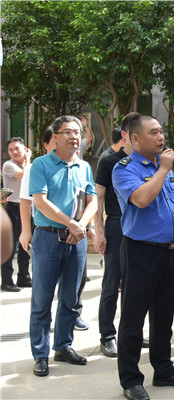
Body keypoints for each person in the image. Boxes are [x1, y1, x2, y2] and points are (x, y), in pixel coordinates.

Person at [113, 115, 174, 400]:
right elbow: (141, 199)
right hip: (140, 252)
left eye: (161, 132)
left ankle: (163, 370)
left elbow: (173, 208)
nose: (161, 137)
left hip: (168, 251)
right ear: (135, 138)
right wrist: (163, 169)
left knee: (163, 316)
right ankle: (131, 380)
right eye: (154, 132)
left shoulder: (165, 166)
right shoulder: (125, 168)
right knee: (133, 319)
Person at [29, 115, 98, 377]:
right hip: (48, 237)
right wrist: (72, 223)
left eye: (77, 132)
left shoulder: (84, 166)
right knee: (42, 299)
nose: (74, 137)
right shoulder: (41, 164)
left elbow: (92, 201)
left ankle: (63, 346)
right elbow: (41, 202)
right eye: (68, 132)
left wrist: (81, 225)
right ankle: (40, 354)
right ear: (55, 137)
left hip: (76, 239)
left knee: (70, 298)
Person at [93, 112, 138, 358]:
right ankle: (107, 336)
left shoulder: (146, 160)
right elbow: (98, 198)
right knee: (112, 284)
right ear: (125, 135)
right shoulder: (109, 161)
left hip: (141, 227)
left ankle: (130, 334)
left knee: (135, 285)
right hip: (116, 225)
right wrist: (99, 231)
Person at [18, 128, 56, 259]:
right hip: (44, 228)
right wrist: (26, 231)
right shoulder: (35, 167)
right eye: (55, 142)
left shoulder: (77, 166)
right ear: (45, 145)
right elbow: (25, 201)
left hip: (72, 230)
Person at [1, 137, 31, 291]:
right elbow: (25, 175)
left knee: (26, 244)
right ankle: (7, 280)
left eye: (17, 148)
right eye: (11, 150)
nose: (14, 152)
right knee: (11, 246)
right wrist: (28, 158)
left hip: (28, 208)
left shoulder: (28, 165)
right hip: (13, 208)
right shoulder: (9, 165)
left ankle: (24, 277)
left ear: (24, 148)